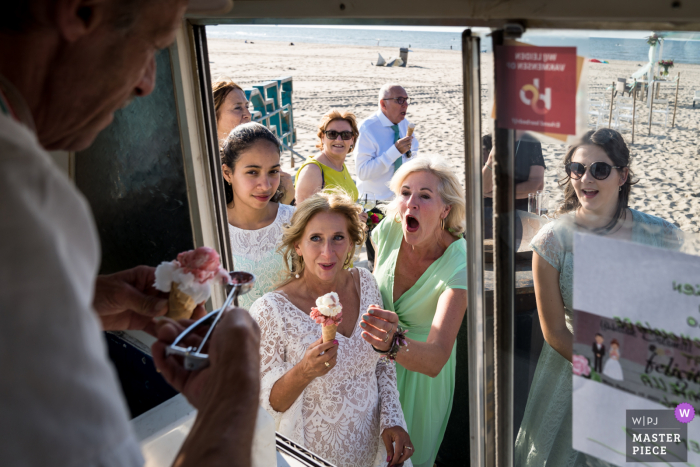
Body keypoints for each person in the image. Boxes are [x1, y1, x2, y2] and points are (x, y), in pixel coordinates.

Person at [0, 1, 261, 466]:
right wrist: (235, 392)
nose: (146, 82)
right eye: (151, 47)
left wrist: (75, 302)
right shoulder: (21, 195)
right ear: (80, 11)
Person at [514, 128, 682, 466]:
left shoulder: (664, 236)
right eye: (577, 169)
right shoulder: (551, 241)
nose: (585, 178)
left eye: (599, 170)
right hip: (574, 373)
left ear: (623, 175)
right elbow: (554, 332)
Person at [250, 191, 414, 467]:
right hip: (313, 457)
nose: (327, 252)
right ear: (298, 245)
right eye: (315, 238)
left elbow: (383, 364)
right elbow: (267, 405)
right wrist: (304, 372)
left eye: (338, 238)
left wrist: (393, 420)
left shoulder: (366, 283)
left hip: (375, 452)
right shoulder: (270, 311)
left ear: (351, 242)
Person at [358, 157, 468, 467]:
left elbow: (435, 359)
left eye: (425, 195)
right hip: (374, 373)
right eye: (405, 192)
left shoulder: (459, 264)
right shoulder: (388, 232)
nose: (411, 203)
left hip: (421, 384)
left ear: (446, 209)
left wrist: (391, 342)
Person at [221, 122, 295, 308]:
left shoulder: (295, 220)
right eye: (252, 172)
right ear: (227, 173)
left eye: (273, 171)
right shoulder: (212, 227)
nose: (266, 185)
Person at [354, 83, 419, 269]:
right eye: (399, 100)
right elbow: (363, 172)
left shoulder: (405, 125)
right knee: (377, 261)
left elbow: (412, 156)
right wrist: (394, 151)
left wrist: (408, 154)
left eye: (406, 100)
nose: (405, 105)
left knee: (400, 258)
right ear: (383, 104)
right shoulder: (368, 128)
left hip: (400, 202)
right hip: (375, 204)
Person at [213, 79, 295, 205]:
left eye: (247, 106)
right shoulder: (206, 167)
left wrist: (287, 198)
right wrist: (285, 202)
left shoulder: (255, 152)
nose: (247, 114)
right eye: (237, 108)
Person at [294, 109, 360, 204]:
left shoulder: (339, 165)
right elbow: (303, 215)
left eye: (346, 135)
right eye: (332, 134)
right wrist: (351, 216)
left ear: (352, 140)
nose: (339, 139)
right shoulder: (312, 170)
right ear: (322, 137)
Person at [482, 131, 546, 212]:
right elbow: (484, 187)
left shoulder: (531, 142)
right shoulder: (486, 142)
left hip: (521, 214)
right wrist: (492, 158)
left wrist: (493, 193)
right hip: (490, 212)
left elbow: (536, 187)